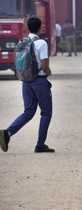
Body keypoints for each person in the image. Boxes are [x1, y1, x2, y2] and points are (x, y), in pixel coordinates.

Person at [0, 16, 54, 153]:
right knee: (46, 112)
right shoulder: (42, 43)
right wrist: (48, 73)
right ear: (40, 27)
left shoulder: (23, 42)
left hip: (26, 81)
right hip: (39, 81)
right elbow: (44, 65)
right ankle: (40, 145)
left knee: (29, 111)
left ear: (28, 28)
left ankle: (7, 133)